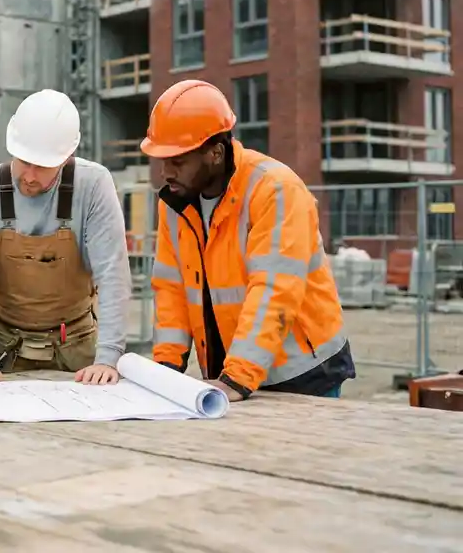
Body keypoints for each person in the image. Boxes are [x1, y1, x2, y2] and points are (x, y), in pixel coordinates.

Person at [142, 79, 355, 402]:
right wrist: (166, 367)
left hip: (303, 373)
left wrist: (238, 376)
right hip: (231, 375)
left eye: (177, 161)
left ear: (215, 153)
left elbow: (275, 289)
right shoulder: (175, 203)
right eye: (162, 160)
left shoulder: (275, 190)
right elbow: (171, 289)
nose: (165, 172)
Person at [0, 89, 133, 385]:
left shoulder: (94, 186)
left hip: (76, 347)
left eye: (43, 166)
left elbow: (113, 274)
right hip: (0, 350)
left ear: (67, 157)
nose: (30, 175)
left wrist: (108, 358)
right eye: (24, 161)